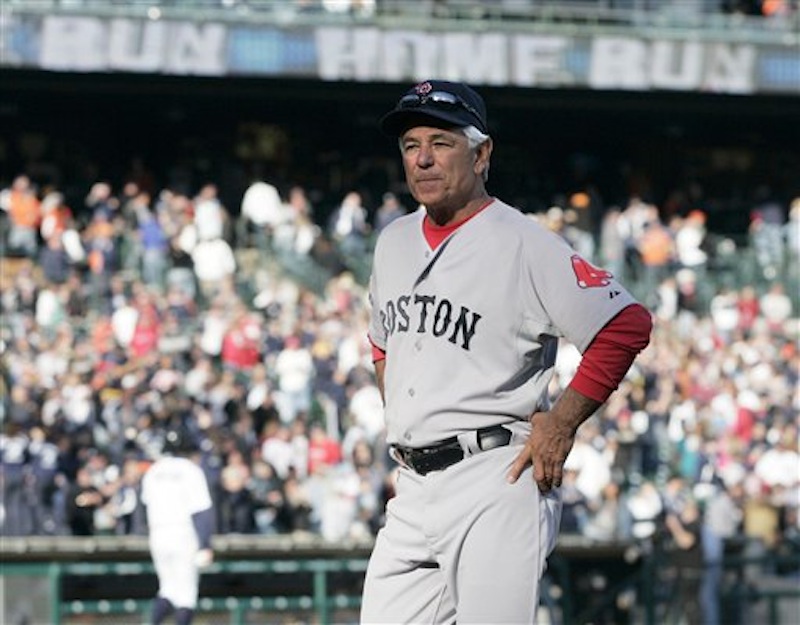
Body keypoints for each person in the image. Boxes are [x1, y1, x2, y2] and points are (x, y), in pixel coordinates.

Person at [360, 79, 652, 624]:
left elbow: (624, 324)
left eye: (441, 142)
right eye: (410, 145)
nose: (422, 159)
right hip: (412, 484)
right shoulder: (393, 241)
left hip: (494, 475)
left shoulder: (524, 241)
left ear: (482, 153)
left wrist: (562, 421)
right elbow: (382, 341)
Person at [141, 426, 214, 625]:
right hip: (183, 532)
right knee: (186, 594)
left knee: (168, 589)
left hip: (157, 533)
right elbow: (202, 511)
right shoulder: (190, 470)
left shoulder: (153, 471)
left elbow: (144, 507)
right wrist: (205, 543)